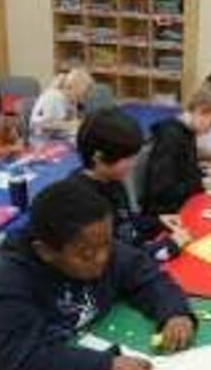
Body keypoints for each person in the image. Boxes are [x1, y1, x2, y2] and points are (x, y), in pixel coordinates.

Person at [0, 179, 196, 370]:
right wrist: (103, 369)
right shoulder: (11, 284)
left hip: (60, 366)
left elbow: (146, 276)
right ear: (45, 252)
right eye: (86, 254)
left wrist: (174, 312)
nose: (102, 258)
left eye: (107, 243)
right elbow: (26, 359)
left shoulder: (97, 247)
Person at [70, 108, 189, 262]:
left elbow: (125, 222)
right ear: (98, 157)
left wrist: (158, 222)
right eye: (127, 158)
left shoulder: (112, 180)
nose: (133, 164)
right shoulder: (82, 201)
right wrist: (170, 245)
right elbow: (113, 261)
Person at [140, 82, 211, 220]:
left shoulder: (188, 132)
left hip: (181, 205)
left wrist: (207, 174)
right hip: (165, 215)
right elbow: (163, 192)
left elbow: (186, 171)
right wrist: (202, 183)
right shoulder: (170, 138)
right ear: (201, 110)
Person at [30, 68, 94, 134]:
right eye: (79, 96)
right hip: (44, 140)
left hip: (60, 138)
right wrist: (71, 125)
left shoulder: (70, 100)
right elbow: (44, 124)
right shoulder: (52, 97)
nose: (80, 101)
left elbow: (70, 120)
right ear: (70, 87)